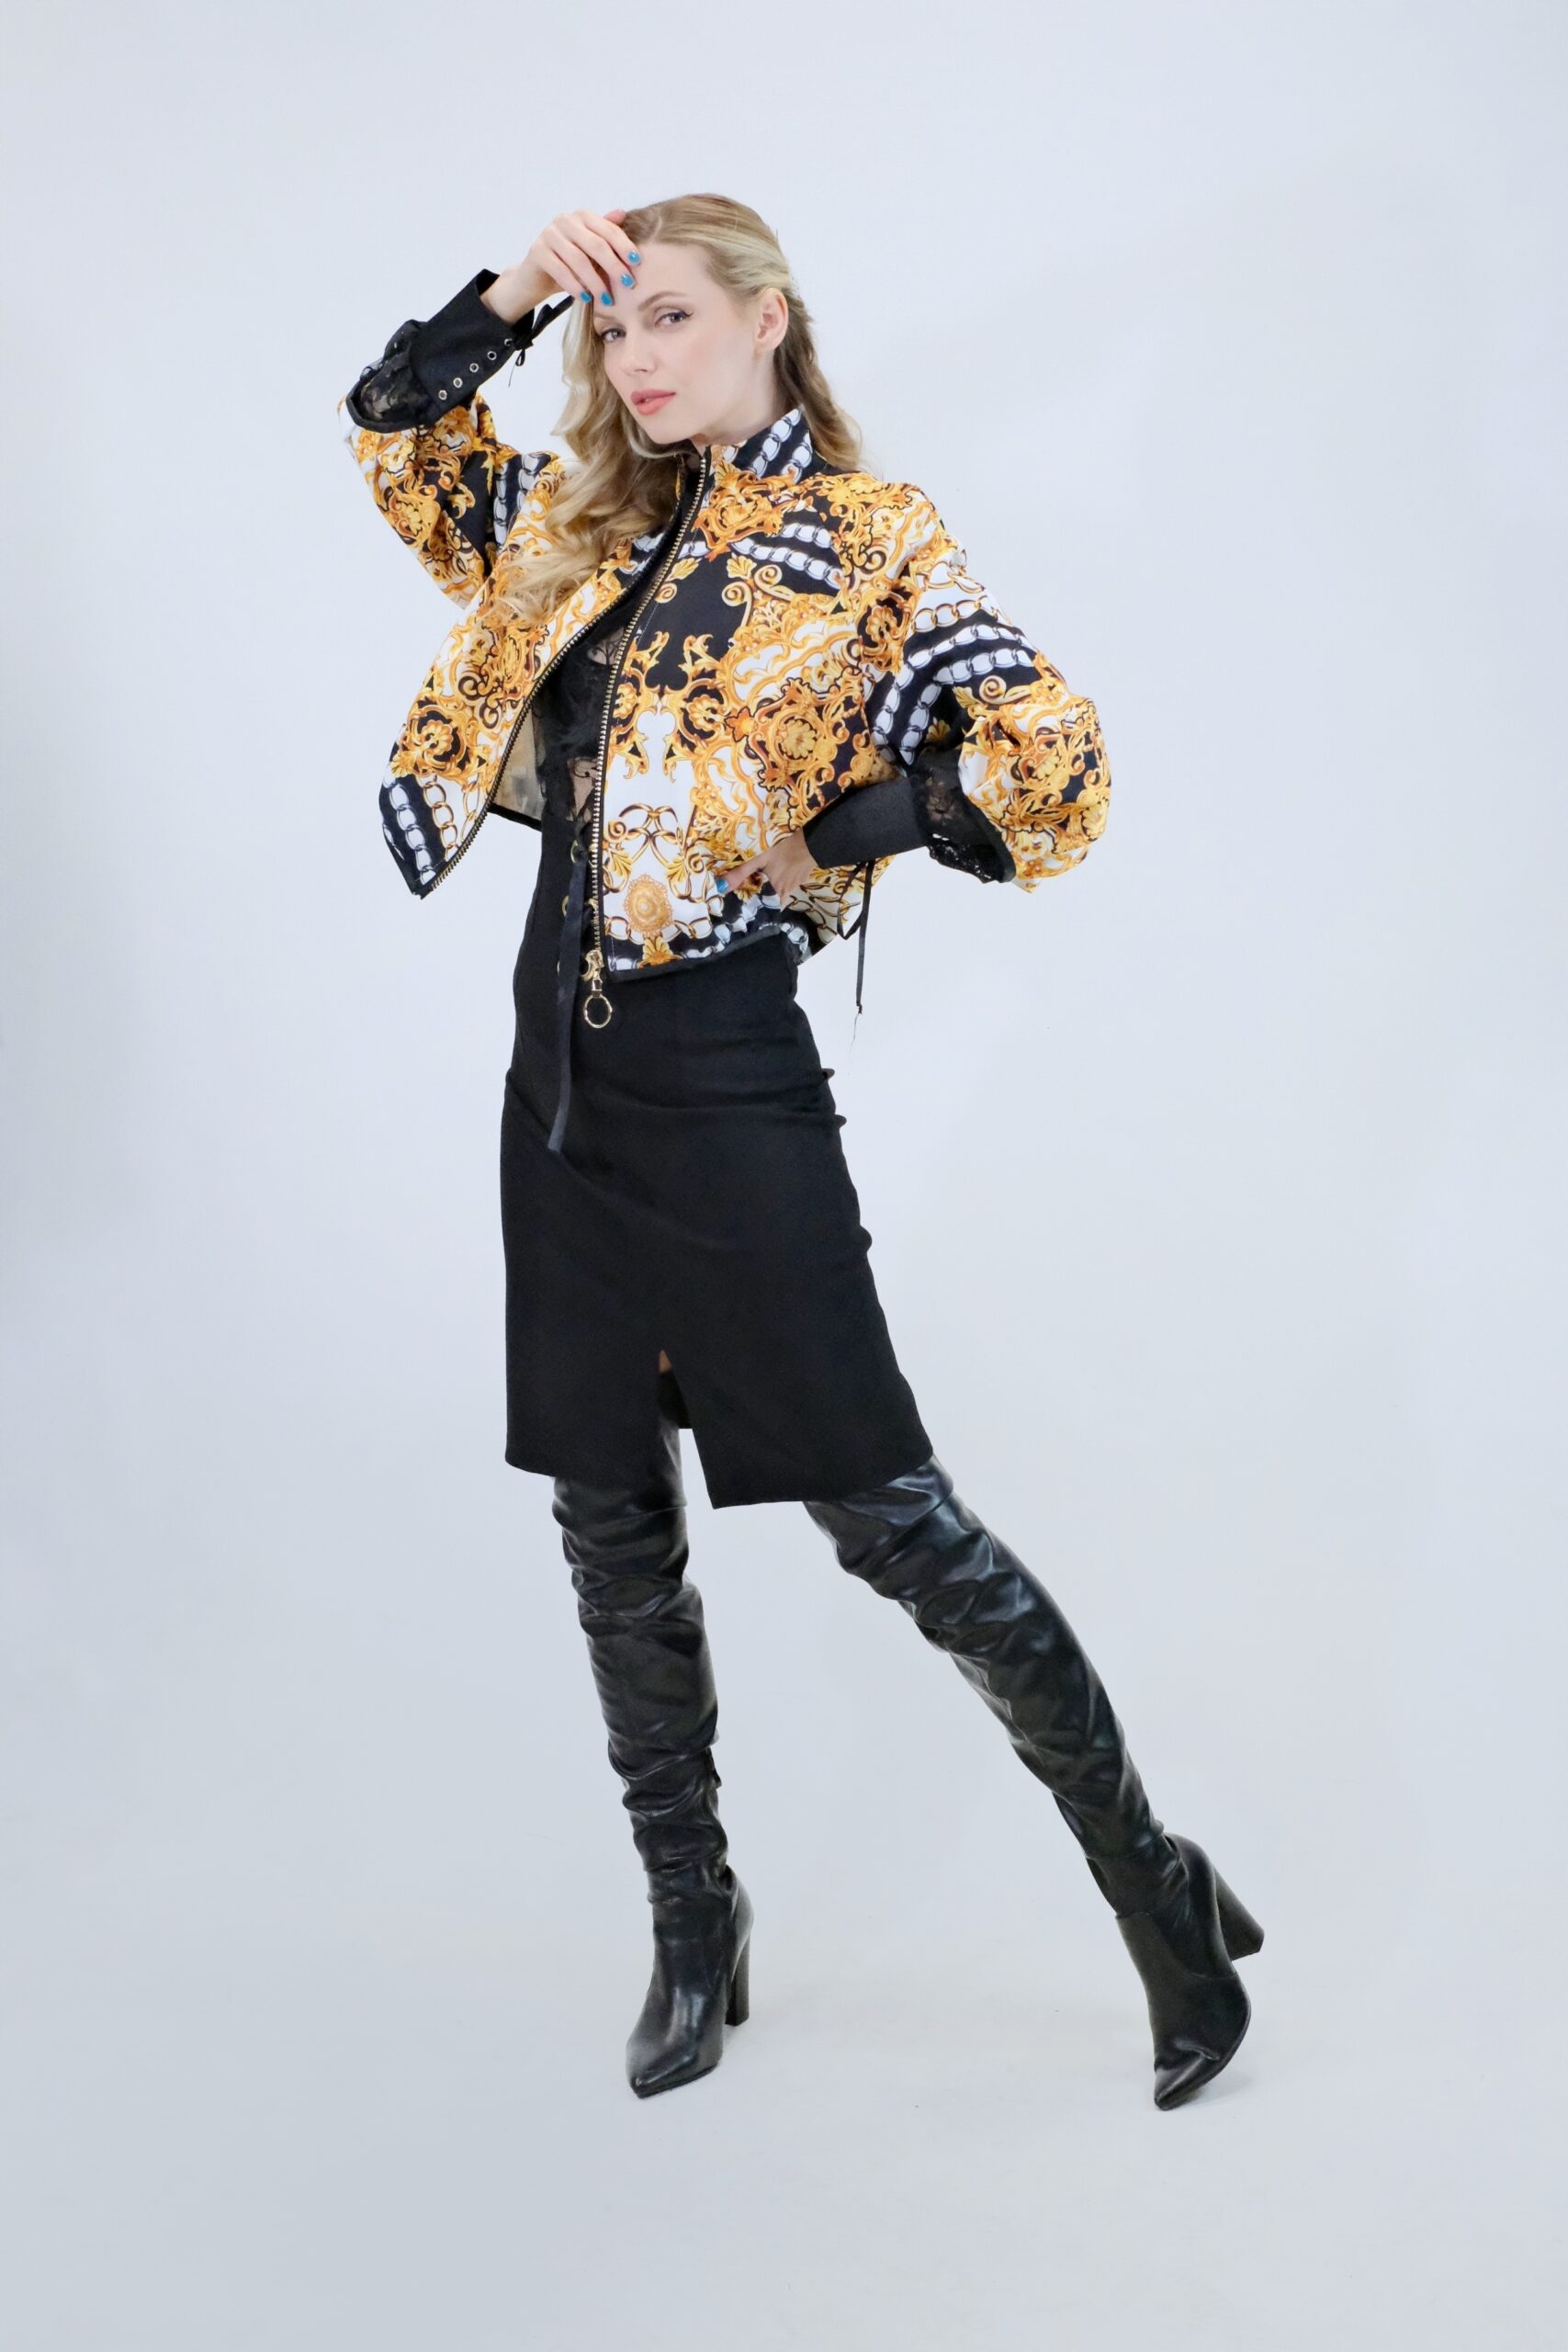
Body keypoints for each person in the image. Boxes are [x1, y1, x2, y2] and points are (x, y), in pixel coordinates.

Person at [339, 194, 1263, 2109]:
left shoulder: (864, 542)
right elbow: (398, 436)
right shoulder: (577, 525)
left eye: (669, 317)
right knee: (608, 1527)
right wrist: (512, 292)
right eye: (613, 330)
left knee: (893, 1518)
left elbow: (1055, 764)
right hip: (557, 1092)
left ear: (770, 320)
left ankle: (1154, 1890)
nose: (635, 358)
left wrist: (852, 827)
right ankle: (695, 1917)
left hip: (727, 1083)